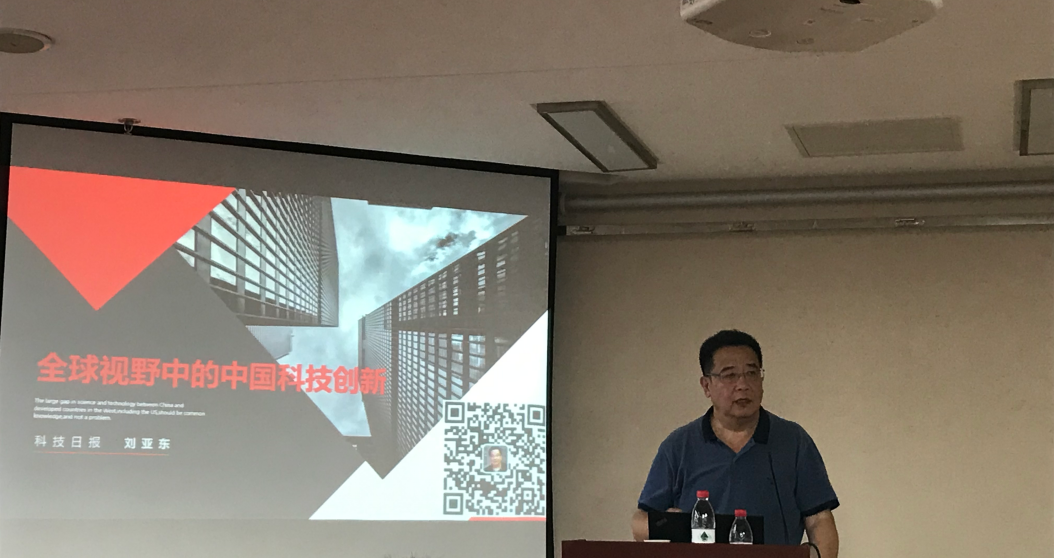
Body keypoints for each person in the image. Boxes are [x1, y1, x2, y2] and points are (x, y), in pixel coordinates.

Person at [631, 330, 839, 558]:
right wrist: (674, 524)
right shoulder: (679, 446)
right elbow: (640, 523)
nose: (743, 385)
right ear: (706, 386)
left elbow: (819, 519)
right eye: (729, 375)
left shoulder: (793, 440)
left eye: (752, 373)